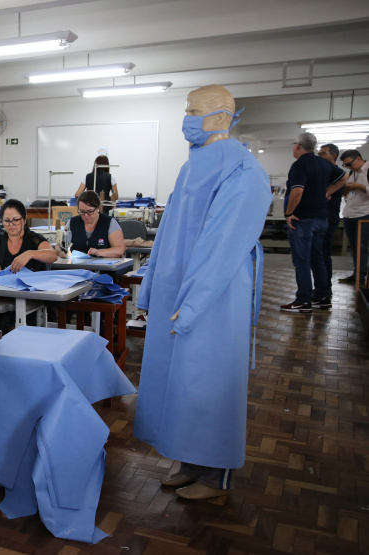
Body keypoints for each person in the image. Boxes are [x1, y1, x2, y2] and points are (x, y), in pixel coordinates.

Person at [134, 85, 272, 500]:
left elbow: (223, 245)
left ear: (220, 118)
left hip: (214, 295)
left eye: (194, 110)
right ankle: (190, 460)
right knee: (178, 382)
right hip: (177, 289)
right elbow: (167, 235)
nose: (187, 118)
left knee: (209, 379)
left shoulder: (244, 172)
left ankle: (216, 474)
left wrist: (192, 301)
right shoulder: (191, 166)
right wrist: (151, 285)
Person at [281, 132, 346, 312]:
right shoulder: (324, 164)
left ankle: (303, 300)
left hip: (303, 219)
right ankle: (322, 297)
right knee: (317, 258)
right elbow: (344, 177)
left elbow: (297, 192)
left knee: (302, 261)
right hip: (321, 219)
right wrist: (327, 191)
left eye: (294, 144)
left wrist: (289, 212)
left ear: (299, 146)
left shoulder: (300, 165)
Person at [0, 199, 57, 275]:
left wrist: (30, 254)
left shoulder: (34, 239)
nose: (11, 224)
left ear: (25, 219)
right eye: (7, 220)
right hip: (4, 287)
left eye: (16, 220)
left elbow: (52, 255)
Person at [337, 150, 369, 285]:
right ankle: (357, 272)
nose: (348, 167)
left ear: (358, 159)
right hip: (350, 213)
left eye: (349, 164)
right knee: (354, 245)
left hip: (364, 213)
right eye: (345, 166)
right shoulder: (352, 172)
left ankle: (361, 275)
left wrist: (358, 186)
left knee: (361, 245)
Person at [63, 191, 125, 258]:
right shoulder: (72, 222)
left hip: (103, 266)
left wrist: (100, 252)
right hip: (76, 265)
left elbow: (119, 250)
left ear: (98, 208)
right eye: (82, 211)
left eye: (90, 211)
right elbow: (60, 245)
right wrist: (60, 252)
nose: (86, 215)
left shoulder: (109, 222)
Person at [317, 143, 343, 299]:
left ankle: (325, 289)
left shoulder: (337, 173)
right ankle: (322, 287)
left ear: (333, 155)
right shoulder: (324, 173)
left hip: (329, 217)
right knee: (318, 254)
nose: (320, 156)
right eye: (319, 153)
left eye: (323, 153)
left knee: (323, 254)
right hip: (320, 217)